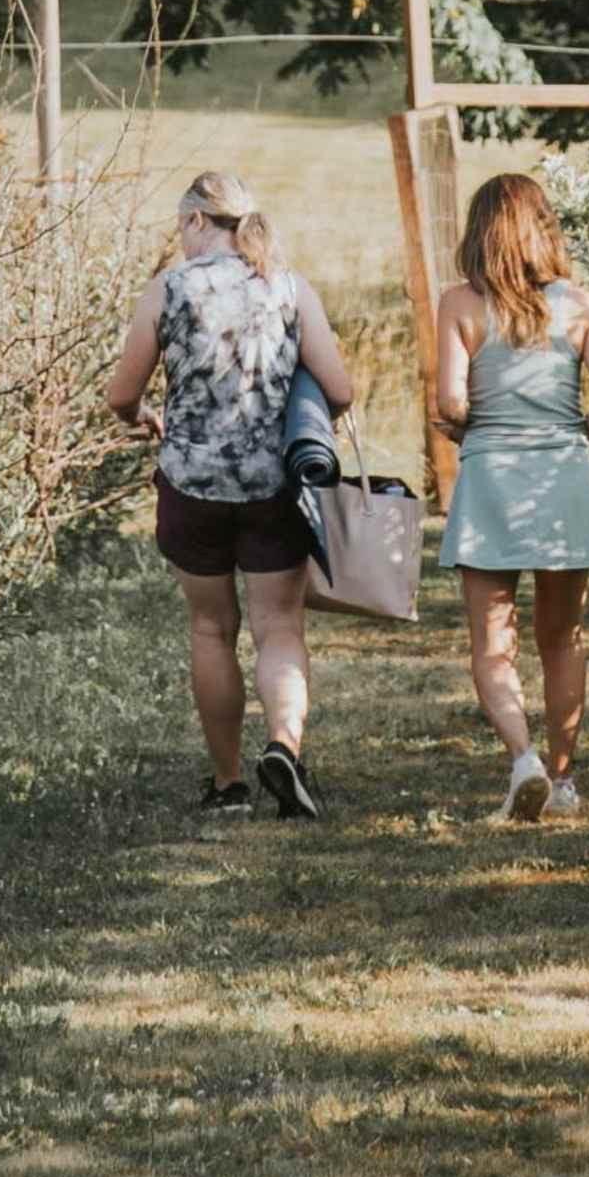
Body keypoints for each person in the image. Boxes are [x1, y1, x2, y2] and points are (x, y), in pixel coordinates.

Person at [107, 167, 358, 819]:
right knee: (279, 625)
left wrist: (145, 419)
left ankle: (226, 784)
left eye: (180, 227)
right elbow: (342, 390)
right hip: (272, 484)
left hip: (193, 486)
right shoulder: (288, 286)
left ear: (196, 220)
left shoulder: (168, 288)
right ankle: (284, 747)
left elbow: (119, 395)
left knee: (211, 628)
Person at [436, 167, 589, 825]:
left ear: (480, 234)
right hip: (561, 480)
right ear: (543, 230)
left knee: (492, 641)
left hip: (491, 477)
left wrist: (458, 420)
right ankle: (565, 777)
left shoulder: (459, 304)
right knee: (563, 635)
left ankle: (523, 759)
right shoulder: (583, 306)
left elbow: (451, 401)